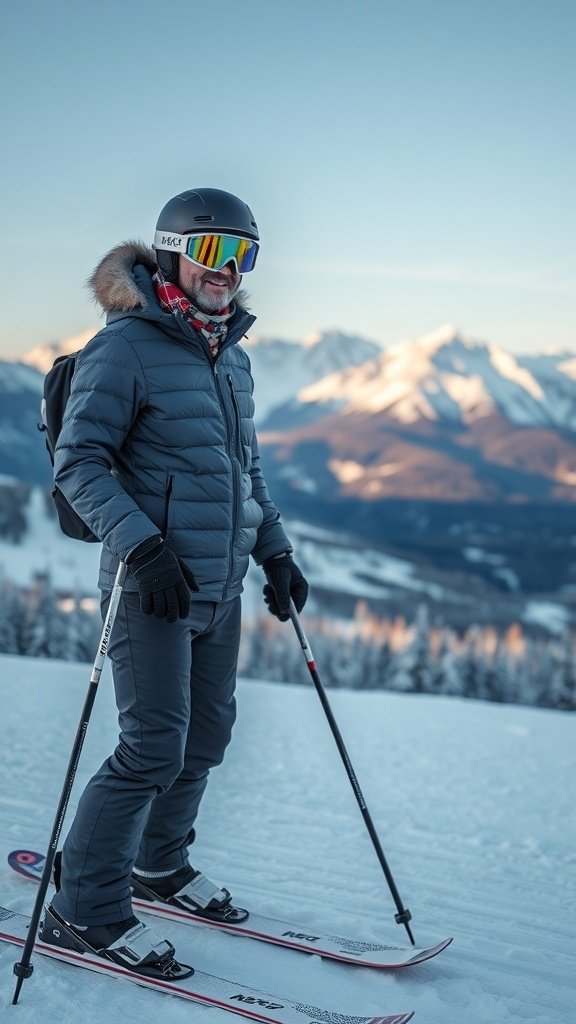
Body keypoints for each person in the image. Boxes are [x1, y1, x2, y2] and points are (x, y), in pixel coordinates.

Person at [40, 188, 309, 979]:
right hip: (148, 586)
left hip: (218, 586)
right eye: (213, 252)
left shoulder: (233, 354)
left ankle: (158, 863)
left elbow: (242, 472)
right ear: (172, 253)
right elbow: (78, 461)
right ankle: (82, 908)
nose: (227, 271)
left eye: (243, 255)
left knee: (206, 739)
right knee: (151, 747)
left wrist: (278, 553)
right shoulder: (125, 345)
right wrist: (143, 548)